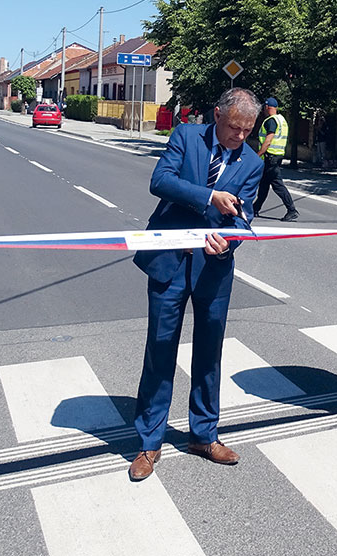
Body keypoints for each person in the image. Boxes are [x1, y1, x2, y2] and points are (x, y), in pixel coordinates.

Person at [128, 87, 264, 481]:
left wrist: (228, 242)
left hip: (213, 270)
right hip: (169, 264)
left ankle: (204, 434)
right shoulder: (187, 136)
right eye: (235, 127)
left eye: (248, 130)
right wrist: (209, 196)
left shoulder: (252, 163)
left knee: (209, 354)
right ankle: (149, 443)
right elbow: (161, 181)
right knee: (160, 349)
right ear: (218, 115)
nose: (240, 136)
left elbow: (244, 217)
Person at [253, 97, 299, 221]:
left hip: (270, 157)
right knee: (264, 184)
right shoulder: (282, 120)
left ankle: (291, 210)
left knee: (277, 185)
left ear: (267, 107)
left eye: (264, 107)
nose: (263, 110)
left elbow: (268, 140)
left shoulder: (271, 121)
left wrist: (258, 155)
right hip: (277, 157)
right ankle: (255, 209)